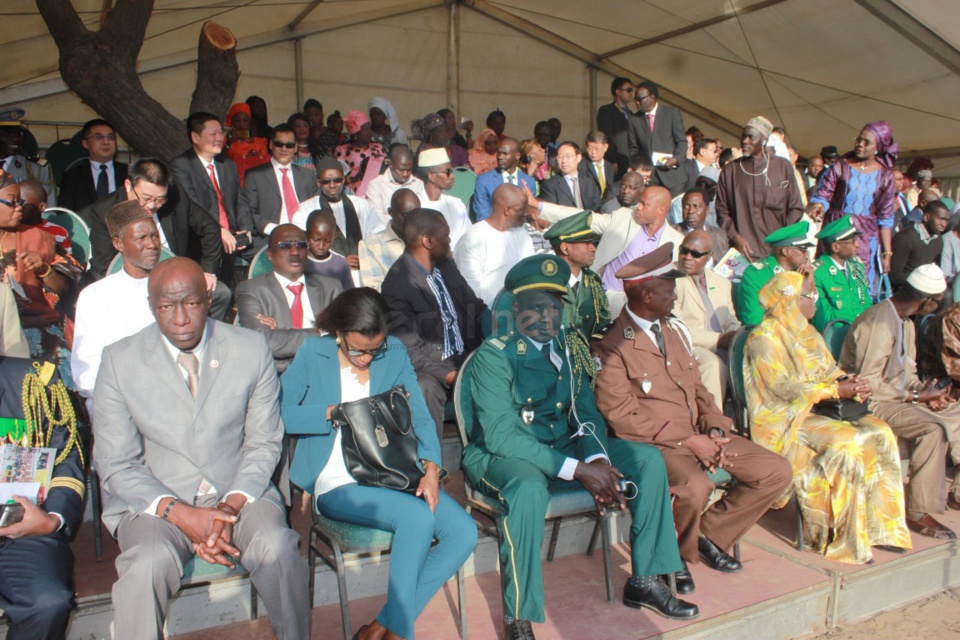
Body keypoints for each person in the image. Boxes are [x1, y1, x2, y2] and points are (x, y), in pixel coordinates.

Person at [464, 254, 698, 639]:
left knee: (647, 461)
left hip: (561, 446)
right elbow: (501, 435)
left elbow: (585, 411)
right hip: (502, 455)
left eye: (555, 306)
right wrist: (578, 470)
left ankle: (645, 579)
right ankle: (518, 617)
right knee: (527, 489)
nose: (547, 317)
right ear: (516, 308)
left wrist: (597, 459)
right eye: (536, 308)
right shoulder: (495, 354)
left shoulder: (567, 348)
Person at [94, 258, 311, 639]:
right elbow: (116, 462)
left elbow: (263, 441)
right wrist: (179, 513)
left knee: (277, 547)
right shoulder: (119, 360)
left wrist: (228, 508)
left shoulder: (250, 347)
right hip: (157, 502)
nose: (180, 319)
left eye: (191, 304)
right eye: (166, 306)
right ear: (150, 305)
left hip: (240, 493)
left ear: (209, 299)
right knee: (146, 563)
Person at [281, 287, 476, 640]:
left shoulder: (394, 351)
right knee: (416, 516)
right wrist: (328, 413)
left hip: (390, 471)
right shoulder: (313, 354)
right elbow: (278, 414)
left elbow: (418, 413)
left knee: (463, 532)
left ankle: (379, 628)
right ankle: (400, 635)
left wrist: (432, 469)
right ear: (338, 333)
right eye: (357, 350)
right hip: (337, 479)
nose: (367, 358)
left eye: (375, 349)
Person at [594, 244, 792, 592]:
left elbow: (699, 389)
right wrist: (689, 440)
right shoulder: (611, 346)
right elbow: (622, 417)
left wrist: (715, 425)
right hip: (660, 446)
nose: (675, 296)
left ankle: (707, 535)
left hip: (700, 435)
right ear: (645, 293)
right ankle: (677, 558)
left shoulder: (671, 329)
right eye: (669, 291)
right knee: (695, 487)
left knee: (775, 470)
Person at [744, 270, 911, 563]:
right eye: (810, 295)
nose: (815, 300)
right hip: (785, 420)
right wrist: (833, 390)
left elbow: (828, 369)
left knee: (881, 431)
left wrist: (849, 380)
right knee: (848, 441)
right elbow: (782, 389)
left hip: (818, 409)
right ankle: (844, 540)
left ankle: (882, 529)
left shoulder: (808, 333)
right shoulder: (763, 338)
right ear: (791, 300)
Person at [839, 264, 958, 540]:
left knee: (956, 411)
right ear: (926, 300)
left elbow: (908, 373)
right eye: (938, 302)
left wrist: (928, 393)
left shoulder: (906, 323)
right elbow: (867, 384)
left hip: (895, 396)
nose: (938, 307)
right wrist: (916, 397)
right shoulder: (878, 322)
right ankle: (917, 510)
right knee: (932, 429)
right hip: (867, 402)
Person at [0, 356, 87, 640]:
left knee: (49, 601)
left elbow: (66, 459)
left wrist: (52, 520)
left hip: (20, 529)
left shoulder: (34, 380)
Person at [382, 209, 487, 441]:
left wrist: (499, 331)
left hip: (466, 355)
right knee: (424, 387)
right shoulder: (396, 284)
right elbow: (410, 351)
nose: (450, 242)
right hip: (432, 366)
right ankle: (432, 466)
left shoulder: (446, 265)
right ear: (428, 241)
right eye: (446, 236)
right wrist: (451, 376)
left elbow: (475, 307)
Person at [80, 157, 230, 319]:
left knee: (222, 293)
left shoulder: (176, 197)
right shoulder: (105, 211)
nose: (152, 205)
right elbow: (104, 265)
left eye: (159, 199)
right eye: (146, 198)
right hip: (132, 281)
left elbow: (210, 227)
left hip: (176, 276)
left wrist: (208, 270)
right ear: (128, 185)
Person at [71, 201, 161, 416]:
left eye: (155, 236)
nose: (152, 244)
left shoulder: (176, 288)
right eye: (141, 238)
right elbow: (87, 369)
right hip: (116, 406)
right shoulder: (96, 296)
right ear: (118, 243)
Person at [0, 172, 82, 380]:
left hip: (32, 325)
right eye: (11, 202)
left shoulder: (37, 237)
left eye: (20, 201)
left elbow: (68, 287)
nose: (19, 207)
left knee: (54, 367)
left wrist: (45, 270)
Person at [808, 121, 899, 295]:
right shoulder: (840, 166)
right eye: (859, 139)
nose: (860, 144)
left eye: (866, 142)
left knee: (859, 286)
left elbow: (885, 218)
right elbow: (824, 193)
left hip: (864, 239)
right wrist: (819, 205)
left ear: (878, 148)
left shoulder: (886, 176)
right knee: (827, 280)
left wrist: (887, 252)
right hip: (836, 231)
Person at [236, 223, 342, 373]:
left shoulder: (331, 287)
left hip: (326, 371)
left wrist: (280, 333)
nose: (295, 251)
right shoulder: (251, 290)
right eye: (285, 245)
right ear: (270, 255)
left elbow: (345, 336)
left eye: (301, 245)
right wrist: (323, 332)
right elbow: (264, 342)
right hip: (278, 376)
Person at [170, 111, 253, 284]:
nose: (219, 138)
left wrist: (244, 228)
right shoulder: (182, 165)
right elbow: (191, 203)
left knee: (226, 286)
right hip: (200, 243)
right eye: (213, 134)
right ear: (195, 136)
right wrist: (216, 229)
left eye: (221, 132)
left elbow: (240, 198)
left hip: (230, 240)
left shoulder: (227, 164)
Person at [715, 116, 804, 260]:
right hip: (743, 252)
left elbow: (796, 208)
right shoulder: (731, 170)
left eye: (751, 137)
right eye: (743, 136)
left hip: (777, 252)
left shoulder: (782, 167)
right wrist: (735, 237)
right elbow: (722, 211)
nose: (745, 141)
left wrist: (781, 239)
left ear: (764, 140)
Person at [672, 231, 740, 405]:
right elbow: (676, 326)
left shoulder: (721, 282)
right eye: (683, 251)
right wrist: (719, 340)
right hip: (686, 344)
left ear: (709, 256)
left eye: (695, 254)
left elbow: (730, 319)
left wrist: (735, 336)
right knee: (712, 364)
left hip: (724, 343)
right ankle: (715, 422)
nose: (687, 257)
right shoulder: (668, 278)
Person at [294, 156, 382, 272]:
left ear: (344, 180)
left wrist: (365, 257)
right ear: (318, 183)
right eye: (326, 181)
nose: (332, 185)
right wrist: (339, 261)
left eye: (337, 180)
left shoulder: (362, 205)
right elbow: (303, 242)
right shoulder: (307, 208)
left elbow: (377, 234)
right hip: (328, 271)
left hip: (364, 269)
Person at [240, 122, 319, 250]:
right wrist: (274, 229)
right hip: (269, 239)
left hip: (305, 237)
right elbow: (249, 211)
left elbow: (317, 207)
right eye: (279, 144)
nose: (284, 149)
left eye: (289, 145)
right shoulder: (255, 175)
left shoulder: (308, 175)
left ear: (295, 147)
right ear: (271, 144)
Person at [454, 183, 534, 305]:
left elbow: (529, 274)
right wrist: (504, 306)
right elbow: (471, 288)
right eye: (522, 209)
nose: (527, 214)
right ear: (507, 210)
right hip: (486, 313)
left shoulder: (522, 234)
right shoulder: (473, 238)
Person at [542, 209, 611, 340]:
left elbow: (603, 321)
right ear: (565, 248)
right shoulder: (546, 283)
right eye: (586, 243)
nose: (593, 248)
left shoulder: (593, 282)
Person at [736, 221, 813, 326]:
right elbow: (754, 319)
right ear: (786, 251)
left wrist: (810, 283)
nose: (807, 255)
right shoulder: (756, 274)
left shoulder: (801, 272)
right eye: (802, 250)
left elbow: (812, 314)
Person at [811, 215, 873, 331]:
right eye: (852, 242)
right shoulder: (818, 273)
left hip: (862, 330)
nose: (857, 245)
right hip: (836, 335)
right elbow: (823, 317)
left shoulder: (856, 265)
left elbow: (865, 302)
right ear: (835, 247)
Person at [627, 81, 688, 197]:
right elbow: (633, 148)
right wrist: (640, 169)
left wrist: (675, 159)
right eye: (635, 99)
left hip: (673, 177)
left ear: (652, 98)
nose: (636, 102)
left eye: (640, 99)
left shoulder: (671, 114)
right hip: (649, 178)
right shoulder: (634, 119)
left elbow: (682, 142)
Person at [58, 118, 128, 212]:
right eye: (99, 137)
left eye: (111, 137)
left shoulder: (129, 172)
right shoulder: (73, 177)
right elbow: (65, 213)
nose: (106, 142)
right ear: (85, 143)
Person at [359, 188, 420, 292]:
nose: (411, 220)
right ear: (391, 212)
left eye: (416, 214)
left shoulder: (426, 240)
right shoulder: (370, 245)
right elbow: (373, 289)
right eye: (405, 215)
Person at [414, 148, 471, 250]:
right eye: (447, 172)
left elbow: (468, 236)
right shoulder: (416, 204)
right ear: (432, 176)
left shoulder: (456, 204)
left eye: (452, 171)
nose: (453, 176)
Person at [471, 137, 537, 222]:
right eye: (498, 153)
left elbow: (530, 213)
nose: (500, 157)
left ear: (517, 156)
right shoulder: (484, 180)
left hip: (520, 230)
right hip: (493, 231)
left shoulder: (529, 182)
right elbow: (482, 215)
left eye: (505, 154)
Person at [889, 199, 950, 290]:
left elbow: (935, 268)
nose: (944, 224)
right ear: (926, 217)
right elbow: (893, 275)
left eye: (946, 220)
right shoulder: (905, 238)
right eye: (941, 219)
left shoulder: (938, 240)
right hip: (904, 290)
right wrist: (921, 281)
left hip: (925, 288)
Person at [364, 145, 426, 221]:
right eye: (401, 170)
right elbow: (376, 218)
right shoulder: (376, 185)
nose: (405, 174)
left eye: (409, 170)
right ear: (391, 165)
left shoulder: (418, 184)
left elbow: (421, 214)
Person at [0, 121, 55, 206]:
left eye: (19, 134)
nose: (16, 139)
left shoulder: (35, 168)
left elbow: (49, 210)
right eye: (6, 134)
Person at [335, 109, 386, 199]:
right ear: (356, 133)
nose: (370, 132)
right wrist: (356, 178)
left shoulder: (378, 147)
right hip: (355, 192)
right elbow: (338, 179)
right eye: (365, 129)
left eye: (370, 128)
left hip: (378, 187)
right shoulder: (343, 150)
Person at [540, 141, 601, 212]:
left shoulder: (589, 183)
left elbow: (597, 209)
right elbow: (553, 213)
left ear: (578, 158)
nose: (564, 161)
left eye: (568, 156)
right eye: (560, 157)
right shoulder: (549, 186)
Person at [304, 210, 355, 291]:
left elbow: (350, 294)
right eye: (316, 240)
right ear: (306, 235)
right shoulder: (301, 262)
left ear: (334, 236)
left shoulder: (340, 264)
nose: (321, 246)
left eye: (327, 241)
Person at [674, 188, 727, 265]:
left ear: (707, 210)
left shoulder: (720, 236)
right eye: (686, 206)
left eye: (696, 206)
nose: (691, 211)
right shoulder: (672, 233)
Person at [595, 76, 635, 178]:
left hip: (631, 161)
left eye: (632, 90)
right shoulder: (607, 111)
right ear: (618, 91)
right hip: (617, 161)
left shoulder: (631, 113)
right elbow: (606, 136)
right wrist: (612, 160)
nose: (631, 93)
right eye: (628, 90)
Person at [224, 102, 269, 187]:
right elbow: (220, 161)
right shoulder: (225, 141)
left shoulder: (260, 142)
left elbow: (266, 165)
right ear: (231, 121)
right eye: (237, 120)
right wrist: (228, 143)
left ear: (249, 122)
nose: (241, 124)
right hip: (232, 184)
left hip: (255, 185)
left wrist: (257, 157)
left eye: (245, 120)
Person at [18, 180, 71, 253]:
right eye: (13, 202)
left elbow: (66, 261)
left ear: (42, 206)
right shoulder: (10, 230)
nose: (17, 207)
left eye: (21, 203)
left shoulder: (58, 232)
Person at [579, 131, 615, 203]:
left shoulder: (610, 167)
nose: (593, 152)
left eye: (596, 148)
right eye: (589, 148)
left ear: (605, 147)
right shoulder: (581, 166)